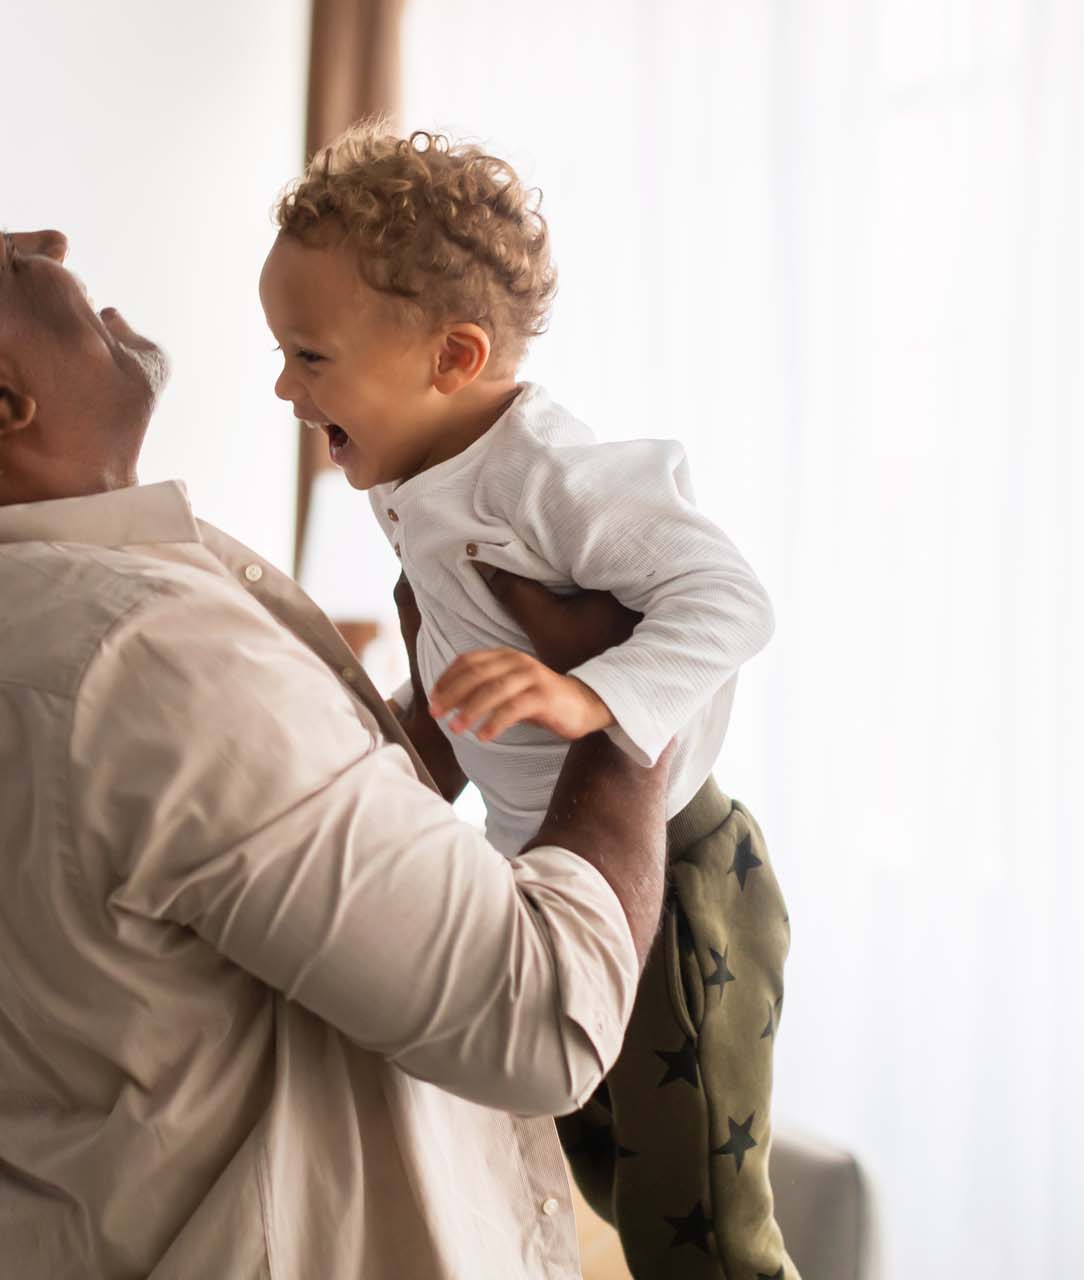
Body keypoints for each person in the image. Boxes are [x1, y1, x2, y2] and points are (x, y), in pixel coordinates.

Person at [0, 196, 669, 1278]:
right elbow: (545, 1017)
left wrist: (433, 723)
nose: (52, 245)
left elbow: (229, 894)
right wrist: (627, 699)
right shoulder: (141, 656)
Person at [258, 124, 797, 1280]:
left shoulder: (549, 474)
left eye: (310, 357)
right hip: (557, 877)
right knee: (598, 1171)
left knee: (702, 1231)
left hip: (684, 873)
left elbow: (733, 598)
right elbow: (462, 672)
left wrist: (588, 692)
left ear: (452, 357)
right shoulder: (421, 478)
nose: (284, 387)